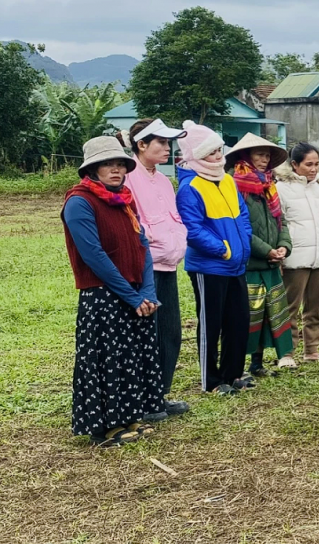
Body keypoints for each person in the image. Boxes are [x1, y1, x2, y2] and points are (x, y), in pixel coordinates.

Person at [62, 136, 164, 446]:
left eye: (120, 164)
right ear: (92, 169)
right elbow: (94, 256)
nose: (116, 169)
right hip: (103, 295)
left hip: (135, 292)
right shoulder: (79, 202)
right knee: (107, 360)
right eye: (108, 164)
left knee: (132, 357)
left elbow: (142, 244)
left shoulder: (123, 199)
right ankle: (106, 425)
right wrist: (133, 296)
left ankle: (132, 415)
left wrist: (147, 291)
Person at [176, 121, 254, 396]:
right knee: (211, 323)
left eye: (219, 149)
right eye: (211, 152)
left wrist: (243, 242)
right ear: (196, 156)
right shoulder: (190, 187)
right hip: (209, 265)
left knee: (238, 319)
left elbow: (243, 216)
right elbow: (192, 229)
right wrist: (223, 249)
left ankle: (233, 374)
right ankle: (210, 380)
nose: (218, 156)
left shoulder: (228, 180)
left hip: (236, 264)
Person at [123, 118, 191, 420]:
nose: (167, 148)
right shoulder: (127, 178)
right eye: (161, 142)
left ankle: (158, 395)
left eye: (168, 142)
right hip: (145, 268)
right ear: (141, 145)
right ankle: (141, 399)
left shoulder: (164, 179)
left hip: (169, 266)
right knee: (144, 333)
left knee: (169, 332)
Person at [227, 133, 295, 374]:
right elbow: (238, 227)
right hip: (249, 263)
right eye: (259, 154)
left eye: (267, 155)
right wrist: (267, 251)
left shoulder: (269, 184)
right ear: (246, 156)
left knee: (270, 313)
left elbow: (281, 221)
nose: (264, 159)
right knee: (248, 315)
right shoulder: (234, 185)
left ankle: (257, 363)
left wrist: (284, 246)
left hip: (271, 263)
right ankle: (239, 365)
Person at [276, 143, 319, 363]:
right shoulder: (281, 189)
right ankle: (286, 352)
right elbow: (279, 223)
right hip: (295, 258)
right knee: (290, 307)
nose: (314, 169)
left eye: (317, 164)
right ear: (295, 164)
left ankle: (312, 350)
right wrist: (281, 255)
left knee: (315, 307)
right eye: (308, 164)